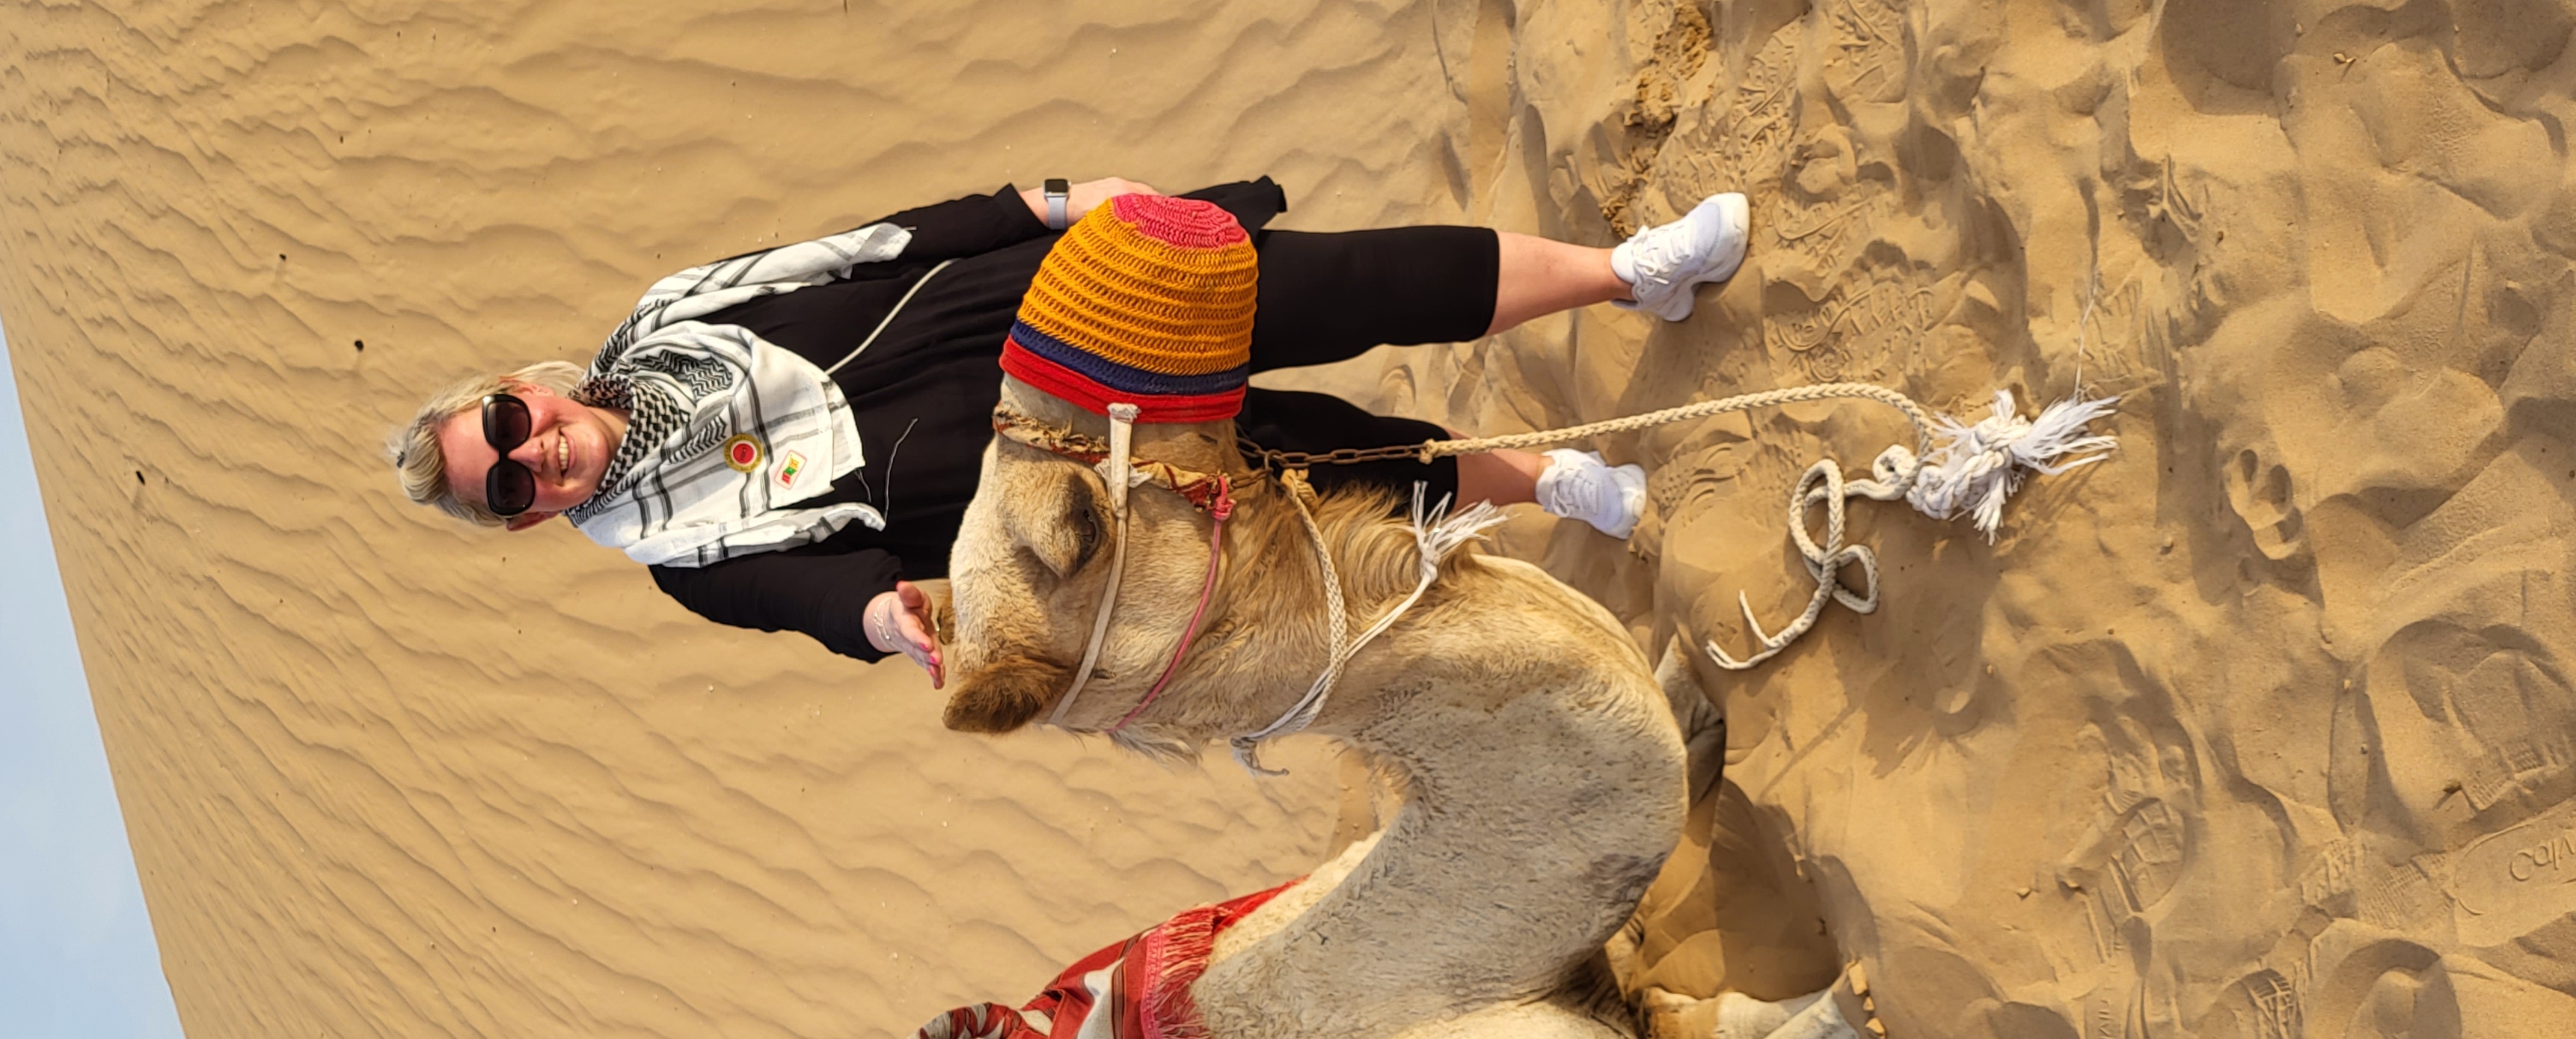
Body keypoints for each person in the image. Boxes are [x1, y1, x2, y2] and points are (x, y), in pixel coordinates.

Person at [387, 177, 1748, 681]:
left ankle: (1629, 271)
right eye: (505, 486)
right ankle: (1555, 484)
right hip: (1046, 464)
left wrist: (1038, 206)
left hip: (1040, 302)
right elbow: (809, 598)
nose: (528, 453)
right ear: (530, 520)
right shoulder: (685, 559)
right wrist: (884, 622)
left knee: (1338, 286)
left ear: (528, 386)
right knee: (1312, 461)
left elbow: (864, 250)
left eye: (505, 424)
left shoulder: (675, 309)